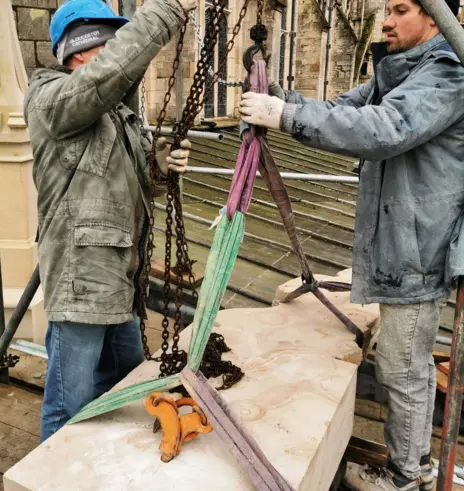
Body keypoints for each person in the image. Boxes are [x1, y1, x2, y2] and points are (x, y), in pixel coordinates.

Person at [239, 0, 464, 489]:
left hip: (418, 249)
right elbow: (341, 110)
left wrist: (282, 116)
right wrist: (283, 98)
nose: (385, 19)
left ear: (433, 16)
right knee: (404, 365)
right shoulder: (399, 72)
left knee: (403, 368)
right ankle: (412, 466)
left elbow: (385, 128)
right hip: (400, 242)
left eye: (400, 9)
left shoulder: (447, 74)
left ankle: (407, 477)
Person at [24, 0, 196, 442]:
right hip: (82, 281)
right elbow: (107, 75)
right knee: (69, 407)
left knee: (127, 383)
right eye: (111, 41)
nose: (121, 53)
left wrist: (161, 166)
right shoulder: (51, 99)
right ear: (81, 50)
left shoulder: (117, 115)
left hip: (119, 278)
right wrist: (165, 11)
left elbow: (134, 183)